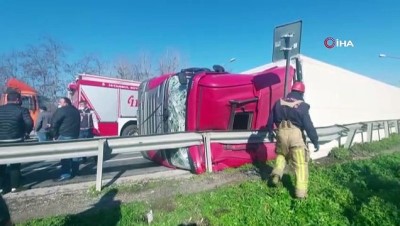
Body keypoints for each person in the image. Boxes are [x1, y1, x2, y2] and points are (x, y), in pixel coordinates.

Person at [266, 81, 319, 199]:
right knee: (300, 164)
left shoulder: (278, 102)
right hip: (295, 135)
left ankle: (276, 174)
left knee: (282, 154)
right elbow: (308, 126)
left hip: (281, 133)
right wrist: (315, 140)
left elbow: (270, 120)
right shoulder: (302, 106)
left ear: (292, 90)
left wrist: (270, 131)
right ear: (302, 92)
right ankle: (300, 194)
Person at [0, 90, 33, 193]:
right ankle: (15, 186)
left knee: (1, 164)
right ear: (18, 99)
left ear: (7, 99)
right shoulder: (22, 110)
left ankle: (1, 188)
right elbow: (29, 123)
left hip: (1, 141)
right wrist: (26, 133)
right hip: (16, 140)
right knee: (15, 164)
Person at [51, 97, 81, 182]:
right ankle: (75, 171)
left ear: (66, 103)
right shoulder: (76, 111)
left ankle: (65, 174)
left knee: (65, 156)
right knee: (75, 155)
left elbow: (54, 123)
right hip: (75, 135)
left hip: (64, 135)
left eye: (60, 102)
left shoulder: (61, 110)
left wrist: (54, 135)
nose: (59, 104)